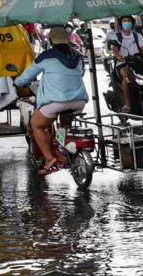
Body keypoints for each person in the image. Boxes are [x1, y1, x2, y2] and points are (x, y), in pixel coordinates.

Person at [14, 27, 89, 175]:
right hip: (79, 101)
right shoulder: (78, 56)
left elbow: (26, 77)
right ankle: (63, 147)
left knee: (37, 125)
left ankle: (49, 159)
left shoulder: (46, 57)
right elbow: (81, 72)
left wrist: (18, 81)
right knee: (64, 124)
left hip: (56, 102)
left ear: (52, 41)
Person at [107, 15, 143, 113]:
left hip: (137, 62)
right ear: (121, 24)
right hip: (123, 63)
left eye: (129, 21)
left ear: (132, 23)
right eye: (125, 21)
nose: (127, 22)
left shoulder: (137, 36)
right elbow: (114, 50)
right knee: (126, 76)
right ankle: (127, 103)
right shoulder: (116, 36)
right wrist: (118, 56)